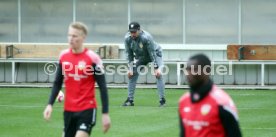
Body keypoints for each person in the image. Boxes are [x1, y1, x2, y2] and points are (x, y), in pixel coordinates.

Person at [43, 22, 111, 137]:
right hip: (68, 110)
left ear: (83, 37)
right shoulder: (63, 56)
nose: (71, 39)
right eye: (69, 35)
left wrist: (105, 113)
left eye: (74, 36)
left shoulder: (93, 58)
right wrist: (49, 104)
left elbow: (103, 87)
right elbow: (57, 83)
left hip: (87, 109)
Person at [178, 54, 242, 137]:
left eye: (194, 69)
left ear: (207, 71)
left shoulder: (222, 102)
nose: (188, 74)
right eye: (187, 69)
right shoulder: (183, 101)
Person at [122, 21, 166, 107]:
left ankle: (162, 100)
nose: (133, 34)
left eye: (134, 32)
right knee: (132, 74)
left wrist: (156, 67)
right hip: (143, 56)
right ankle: (130, 100)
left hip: (155, 54)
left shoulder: (146, 37)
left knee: (158, 74)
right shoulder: (127, 38)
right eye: (131, 32)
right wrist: (130, 68)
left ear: (139, 30)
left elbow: (152, 53)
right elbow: (129, 54)